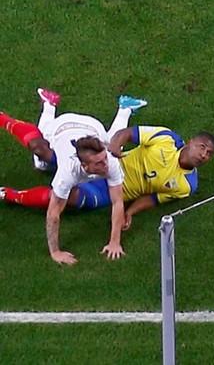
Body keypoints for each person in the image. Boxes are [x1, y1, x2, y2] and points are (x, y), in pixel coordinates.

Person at [0, 88, 147, 265]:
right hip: (61, 127)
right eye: (99, 163)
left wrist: (114, 242)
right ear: (84, 166)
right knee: (40, 155)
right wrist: (55, 252)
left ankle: (125, 108)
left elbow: (117, 202)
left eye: (104, 160)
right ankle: (48, 105)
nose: (105, 165)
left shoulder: (109, 161)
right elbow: (53, 213)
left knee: (111, 142)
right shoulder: (68, 172)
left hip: (93, 126)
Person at [2, 118, 214, 236]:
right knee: (43, 152)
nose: (203, 155)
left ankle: (7, 194)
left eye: (208, 154)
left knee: (61, 199)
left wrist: (130, 212)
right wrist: (113, 147)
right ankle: (5, 120)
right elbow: (128, 134)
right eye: (202, 147)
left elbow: (153, 198)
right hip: (104, 166)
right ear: (190, 142)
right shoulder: (166, 139)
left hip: (107, 191)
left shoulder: (187, 185)